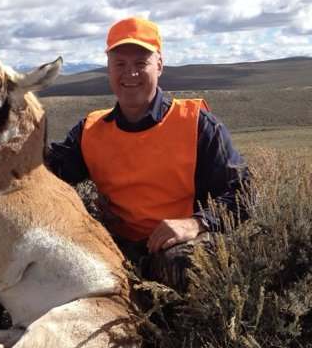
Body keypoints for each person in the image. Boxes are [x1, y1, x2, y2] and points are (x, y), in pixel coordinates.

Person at [46, 17, 250, 291]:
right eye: (120, 64)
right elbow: (49, 170)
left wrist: (195, 224)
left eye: (140, 63)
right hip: (117, 245)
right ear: (109, 68)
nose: (130, 74)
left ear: (159, 65)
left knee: (182, 265)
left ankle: (183, 334)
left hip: (180, 243)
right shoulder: (91, 130)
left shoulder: (198, 125)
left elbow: (241, 194)